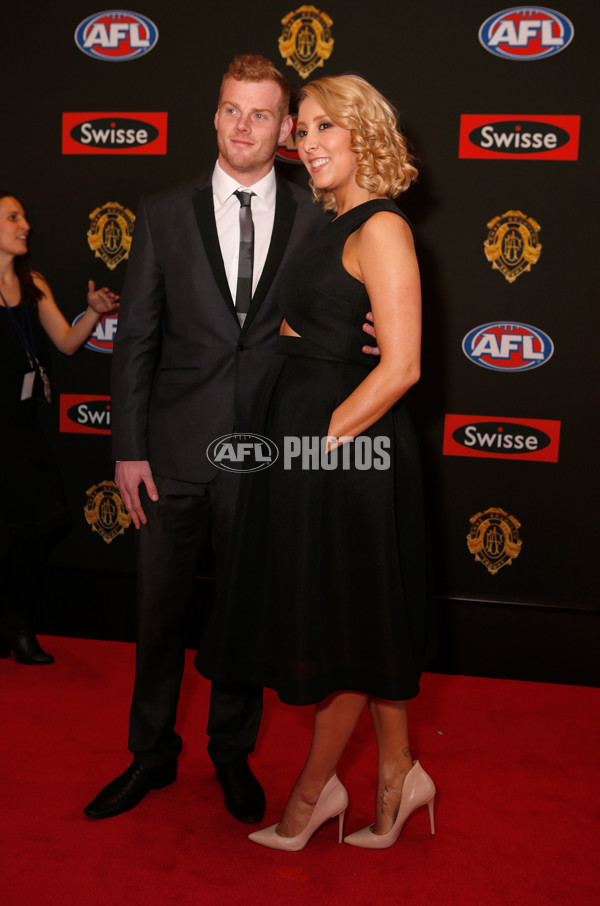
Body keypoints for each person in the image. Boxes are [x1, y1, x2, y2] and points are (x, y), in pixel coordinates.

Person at [83, 55, 354, 823]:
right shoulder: (164, 210)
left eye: (261, 114)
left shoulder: (314, 217)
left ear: (286, 130)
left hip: (262, 453)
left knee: (242, 613)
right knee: (157, 613)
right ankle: (150, 754)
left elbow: (330, 321)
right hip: (169, 452)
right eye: (232, 109)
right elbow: (135, 339)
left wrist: (370, 331)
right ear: (215, 114)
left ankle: (230, 753)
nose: (243, 125)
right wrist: (127, 449)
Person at [196, 74, 435, 851]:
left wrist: (316, 445)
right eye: (301, 128)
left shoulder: (383, 227)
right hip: (319, 442)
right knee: (363, 618)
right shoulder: (336, 221)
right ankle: (398, 774)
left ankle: (310, 796)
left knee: (342, 634)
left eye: (325, 126)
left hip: (343, 453)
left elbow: (400, 368)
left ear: (364, 131)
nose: (307, 141)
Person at [0, 191, 118, 665]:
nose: (25, 224)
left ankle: (16, 620)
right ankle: (16, 626)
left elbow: (67, 343)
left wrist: (92, 310)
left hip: (23, 425)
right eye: (12, 217)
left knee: (45, 520)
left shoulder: (34, 284)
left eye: (23, 215)